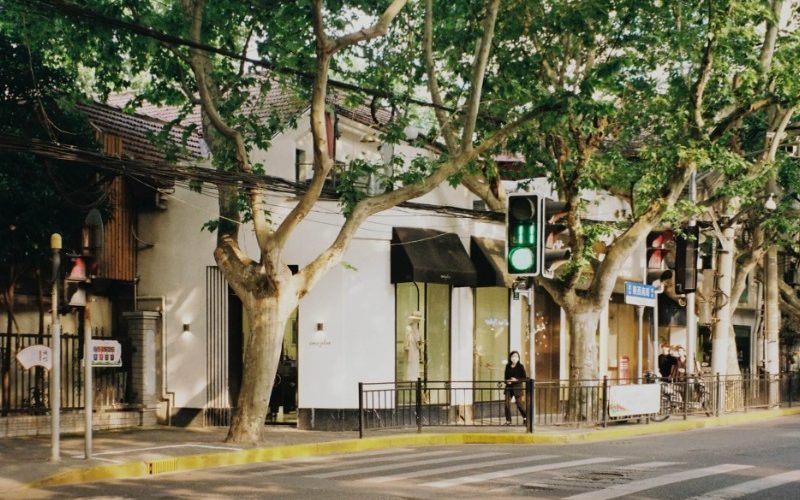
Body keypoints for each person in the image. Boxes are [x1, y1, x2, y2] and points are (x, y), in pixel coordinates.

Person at [504, 351, 527, 425]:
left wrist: (516, 380)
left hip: (517, 388)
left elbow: (524, 378)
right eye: (513, 356)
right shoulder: (508, 366)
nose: (514, 358)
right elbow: (505, 378)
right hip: (509, 387)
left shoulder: (520, 366)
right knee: (506, 404)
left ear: (518, 358)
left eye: (516, 356)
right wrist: (507, 381)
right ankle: (508, 420)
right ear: (510, 357)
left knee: (519, 404)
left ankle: (525, 417)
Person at [404, 311, 423, 381]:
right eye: (418, 319)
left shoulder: (416, 329)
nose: (419, 320)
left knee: (415, 363)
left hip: (415, 349)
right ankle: (410, 378)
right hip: (411, 349)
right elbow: (407, 340)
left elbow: (418, 339)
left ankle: (414, 378)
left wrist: (419, 344)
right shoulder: (409, 328)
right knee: (411, 363)